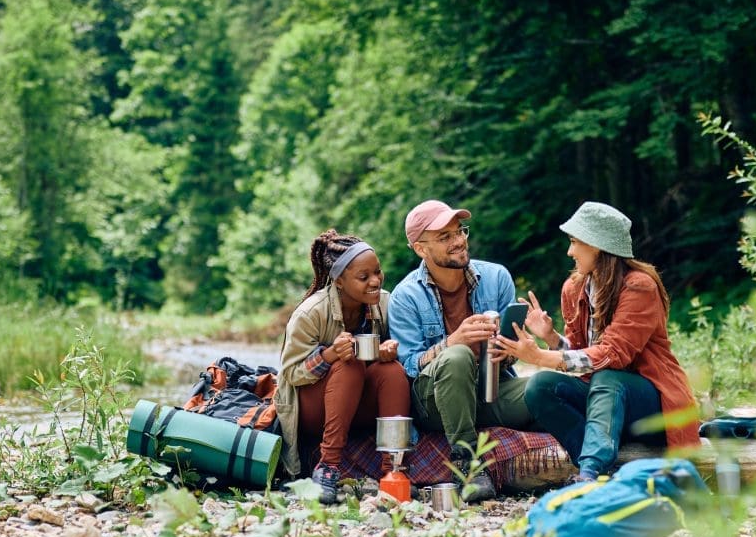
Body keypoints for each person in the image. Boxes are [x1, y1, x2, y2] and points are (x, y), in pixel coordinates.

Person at [495, 201, 701, 482]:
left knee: (608, 378)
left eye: (574, 242)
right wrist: (551, 338)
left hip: (649, 409)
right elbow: (584, 358)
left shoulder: (639, 285)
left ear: (597, 245)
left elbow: (613, 355)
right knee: (540, 387)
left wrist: (540, 358)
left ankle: (589, 473)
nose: (570, 251)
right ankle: (597, 466)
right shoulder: (574, 288)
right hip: (603, 406)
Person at [389, 200, 533, 502]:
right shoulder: (405, 296)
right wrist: (453, 342)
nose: (458, 242)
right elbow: (407, 367)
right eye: (444, 237)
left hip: (490, 390)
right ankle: (468, 464)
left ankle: (590, 458)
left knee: (545, 387)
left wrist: (505, 351)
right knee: (457, 357)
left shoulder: (496, 277)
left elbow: (513, 353)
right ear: (420, 249)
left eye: (460, 232)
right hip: (435, 404)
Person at [277, 229, 411, 504]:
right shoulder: (311, 313)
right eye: (364, 277)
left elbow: (405, 353)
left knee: (393, 371)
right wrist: (328, 355)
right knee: (348, 366)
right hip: (314, 410)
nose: (375, 281)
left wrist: (386, 352)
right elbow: (290, 374)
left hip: (358, 404)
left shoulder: (385, 303)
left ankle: (393, 471)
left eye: (378, 272)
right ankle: (328, 467)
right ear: (339, 281)